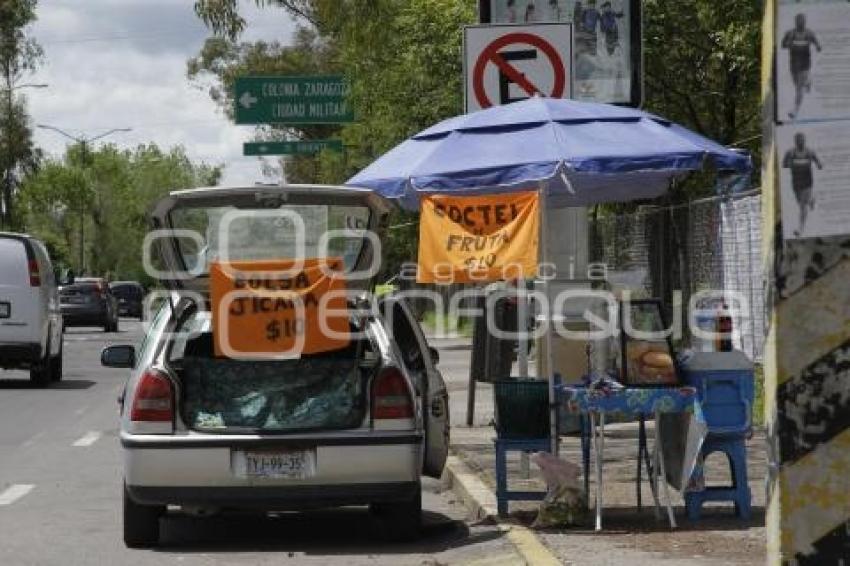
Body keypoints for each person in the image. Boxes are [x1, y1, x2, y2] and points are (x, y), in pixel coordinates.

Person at [781, 13, 822, 119]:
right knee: (797, 85)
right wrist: (788, 44)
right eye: (798, 21)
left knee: (799, 88)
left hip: (805, 64)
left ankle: (795, 110)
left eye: (802, 21)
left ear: (805, 22)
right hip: (793, 64)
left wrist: (818, 47)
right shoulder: (790, 33)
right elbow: (783, 45)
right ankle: (808, 82)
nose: (800, 23)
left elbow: (817, 44)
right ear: (795, 22)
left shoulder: (809, 33)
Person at [782, 132, 823, 237]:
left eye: (802, 140)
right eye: (798, 140)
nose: (800, 142)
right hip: (796, 183)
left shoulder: (810, 152)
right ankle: (811, 200)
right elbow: (784, 164)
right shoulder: (790, 152)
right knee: (801, 202)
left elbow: (819, 163)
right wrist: (791, 164)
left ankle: (800, 229)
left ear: (804, 141)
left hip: (807, 181)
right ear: (795, 142)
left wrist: (819, 165)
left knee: (802, 206)